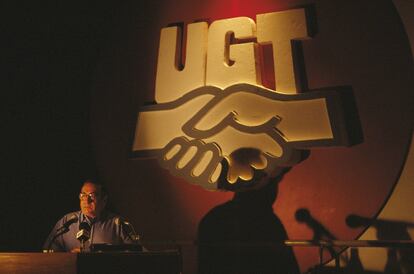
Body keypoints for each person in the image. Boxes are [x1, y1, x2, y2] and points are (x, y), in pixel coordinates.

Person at [43, 179, 140, 252]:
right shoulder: (67, 221)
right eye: (83, 195)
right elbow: (48, 252)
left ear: (104, 200)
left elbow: (135, 254)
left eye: (92, 196)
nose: (86, 200)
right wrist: (69, 257)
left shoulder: (117, 223)